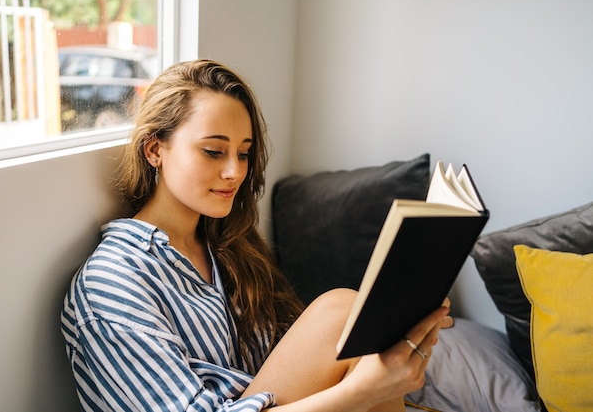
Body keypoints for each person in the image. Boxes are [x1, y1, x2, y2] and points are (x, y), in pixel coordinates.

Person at [61, 59, 453, 412]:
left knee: (360, 326)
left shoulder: (228, 248)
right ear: (154, 150)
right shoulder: (111, 283)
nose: (235, 171)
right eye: (214, 151)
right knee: (339, 312)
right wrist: (361, 391)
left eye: (244, 153)